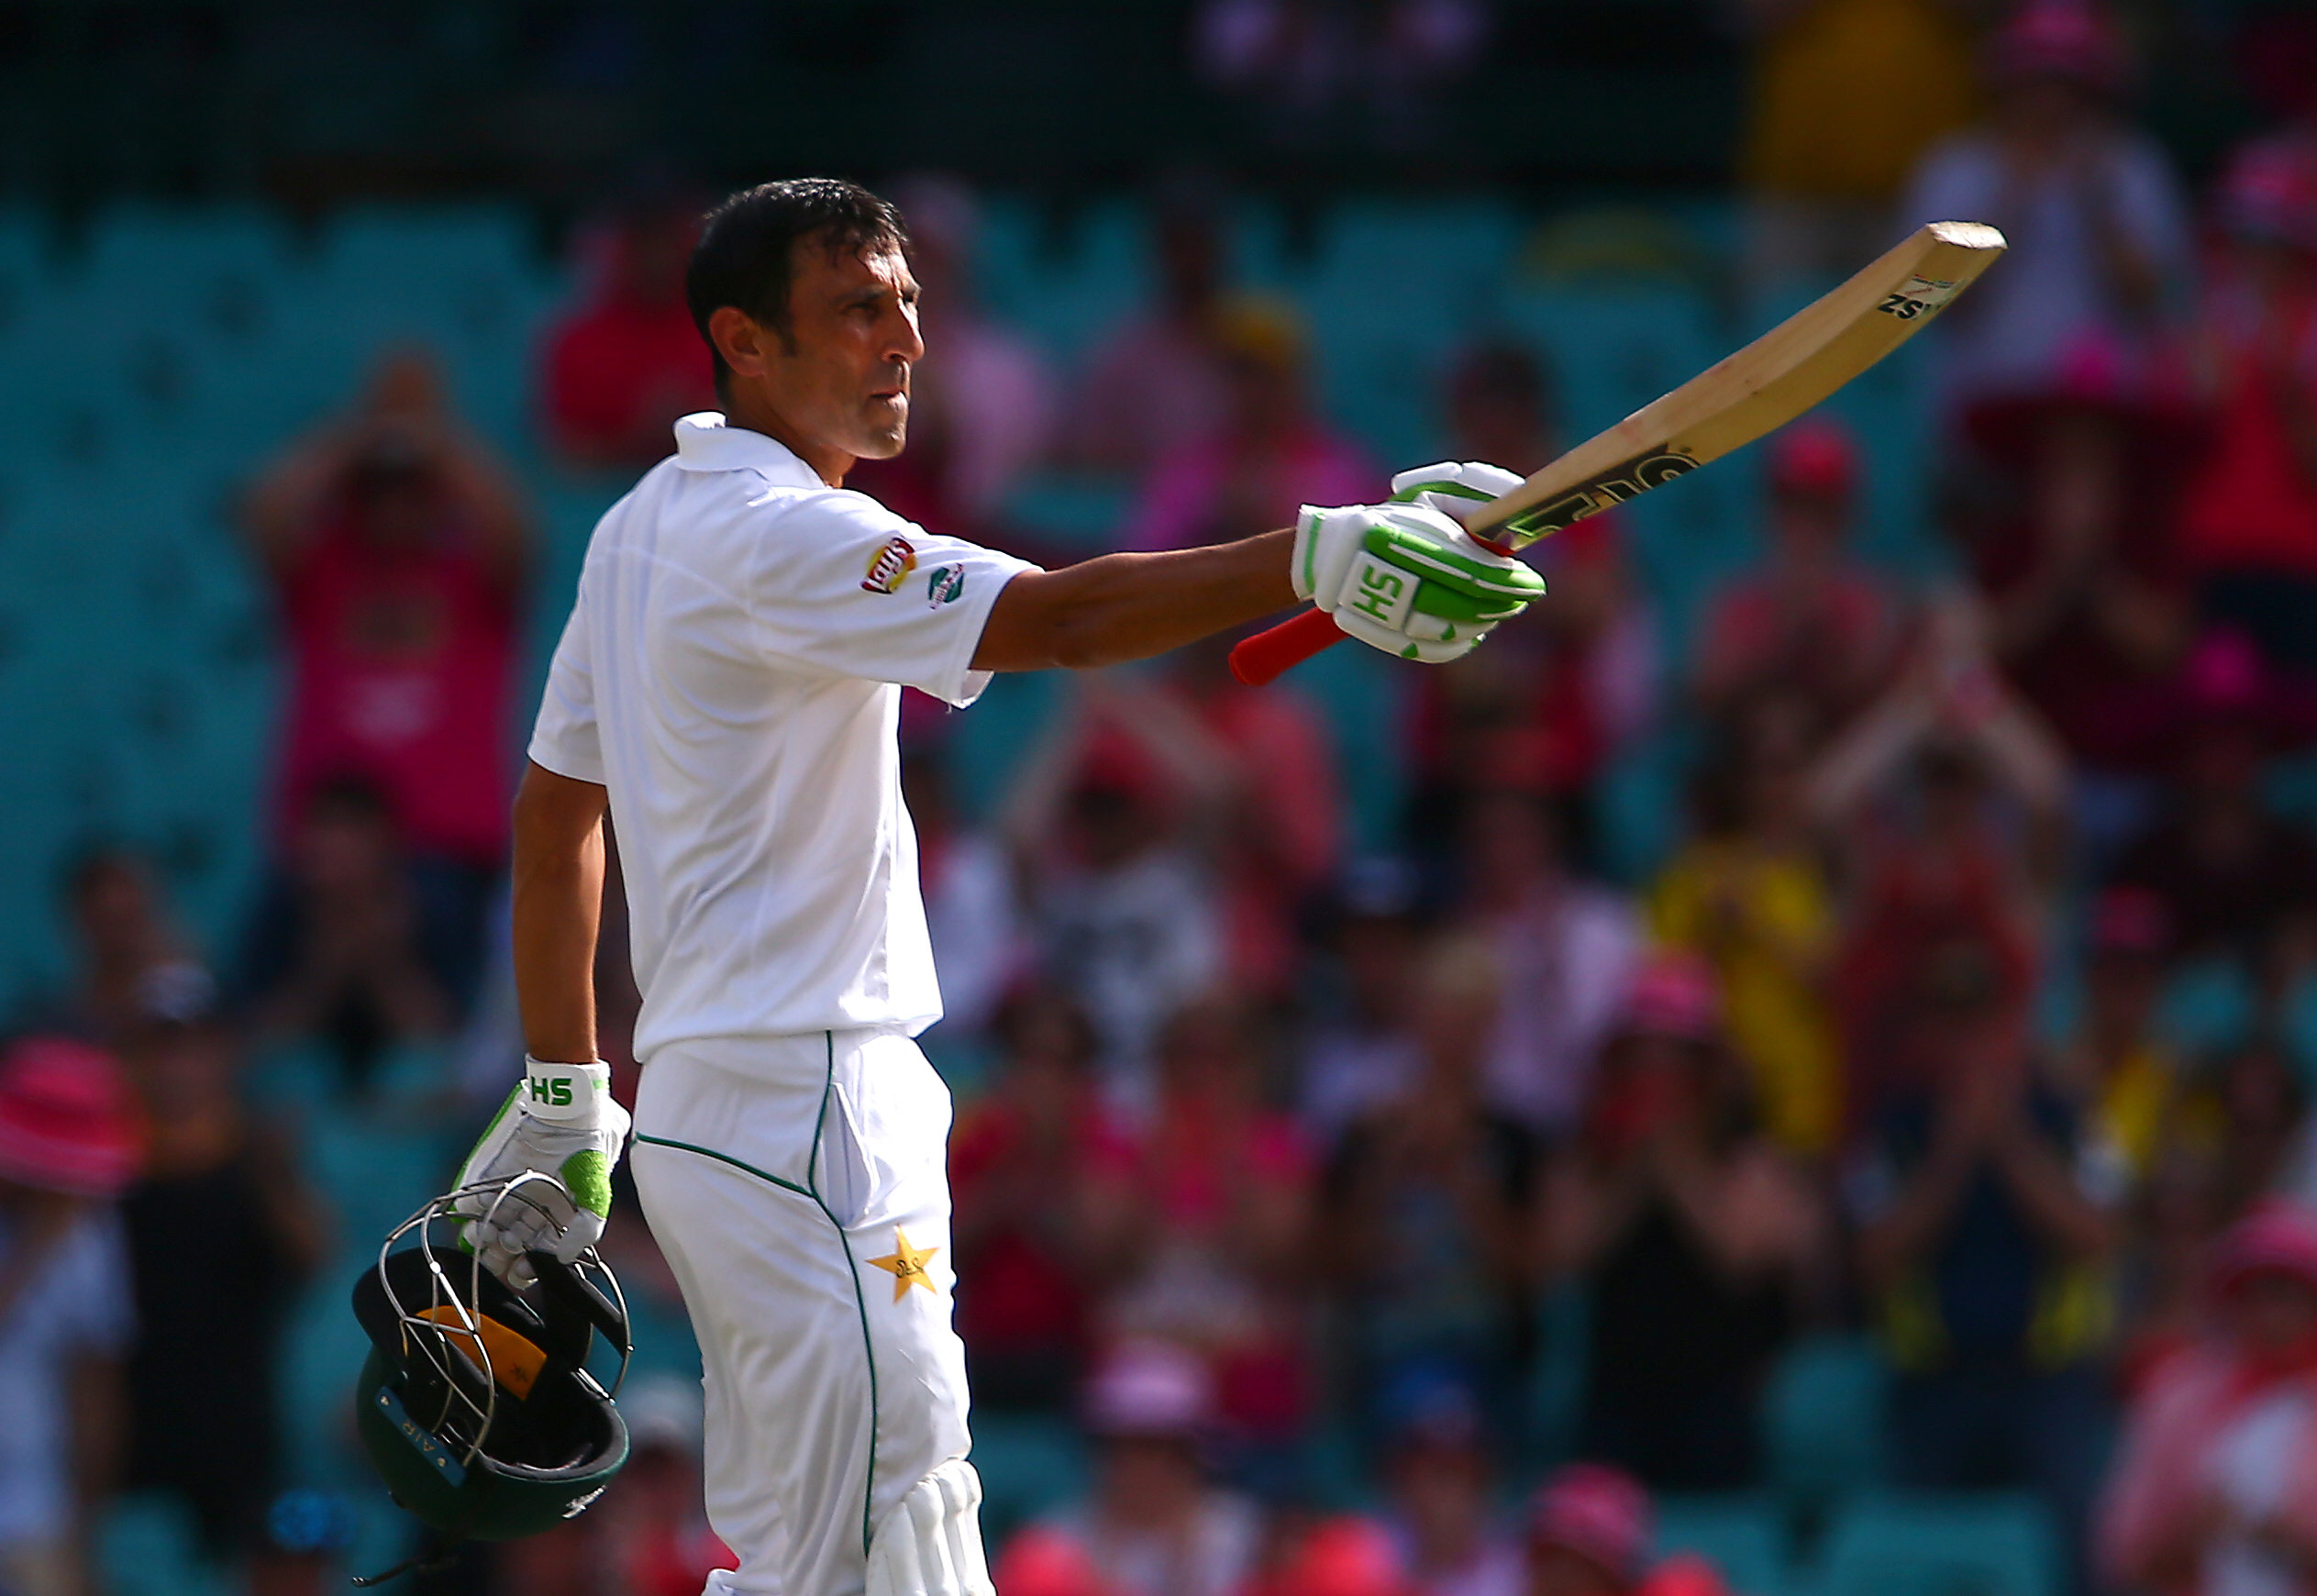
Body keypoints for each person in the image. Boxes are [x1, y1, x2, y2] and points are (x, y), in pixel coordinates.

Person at [453, 178, 1542, 1596]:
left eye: (909, 302)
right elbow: (1059, 617)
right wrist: (1316, 556)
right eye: (857, 308)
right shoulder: (779, 534)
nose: (905, 337)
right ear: (745, 341)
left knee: (883, 1543)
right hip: (805, 1108)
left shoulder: (640, 528)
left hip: (746, 1112)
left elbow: (554, 822)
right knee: (862, 1548)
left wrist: (561, 1092)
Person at [240, 349, 532, 1006]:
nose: (394, 507)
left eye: (412, 490)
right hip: (318, 861)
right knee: (253, 998)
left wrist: (430, 432)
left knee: (451, 999)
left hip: (444, 859)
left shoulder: (471, 583)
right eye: (378, 490)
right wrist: (365, 429)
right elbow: (264, 515)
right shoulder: (325, 574)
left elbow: (516, 532)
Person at [1544, 956, 1824, 1490]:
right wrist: (1633, 1168)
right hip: (1616, 1398)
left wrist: (1673, 1162)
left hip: (1717, 1397)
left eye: (1673, 1059)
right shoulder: (1589, 1157)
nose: (1657, 1077)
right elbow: (1565, 1256)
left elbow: (1738, 1255)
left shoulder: (1749, 1156)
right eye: (1642, 1059)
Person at [1901, 0, 2193, 418]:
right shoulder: (1955, 167)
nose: (2049, 104)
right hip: (1978, 400)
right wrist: (2007, 206)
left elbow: (2155, 300)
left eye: (2067, 86)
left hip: (2103, 413)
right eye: (2034, 84)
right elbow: (1921, 305)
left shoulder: (2132, 166)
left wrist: (2095, 201)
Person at [1325, 939, 1544, 1425]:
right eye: (1442, 1016)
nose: (1454, 1036)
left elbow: (1527, 1274)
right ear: (1415, 1023)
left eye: (1470, 1020)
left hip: (1489, 1356)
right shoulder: (1366, 1132)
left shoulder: (1517, 1139)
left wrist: (1460, 1173)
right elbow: (1338, 1266)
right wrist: (1384, 1168)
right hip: (1383, 1352)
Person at [2100, 1202, 2317, 1596]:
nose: (2269, 1314)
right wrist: (2189, 1536)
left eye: (2286, 1295)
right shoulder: (2178, 1396)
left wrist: (2291, 1542)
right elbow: (2122, 1553)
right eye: (2254, 1295)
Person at [948, 989, 1142, 1412]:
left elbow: (1103, 1264)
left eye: (1059, 1062)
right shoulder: (975, 1138)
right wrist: (1009, 1179)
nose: (1042, 1079)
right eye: (1029, 1059)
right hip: (980, 1356)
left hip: (1079, 1364)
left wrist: (1053, 1162)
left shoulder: (1108, 1143)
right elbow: (938, 1254)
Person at [0, 1037, 139, 1596]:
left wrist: (86, 1521)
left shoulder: (89, 1231)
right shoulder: (57, 1228)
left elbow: (94, 1379)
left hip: (36, 1506)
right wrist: (37, 1246)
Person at [2176, 139, 2317, 671]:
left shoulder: (2308, 334)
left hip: (2302, 563)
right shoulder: (2207, 329)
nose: (2252, 256)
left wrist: (2284, 380)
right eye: (2242, 239)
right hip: (2213, 558)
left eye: (2268, 240)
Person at [1691, 418, 1902, 740]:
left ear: (1844, 517)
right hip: (1750, 771)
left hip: (1844, 760)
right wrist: (1780, 628)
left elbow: (1871, 689)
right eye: (1791, 506)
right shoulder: (1737, 601)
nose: (1804, 526)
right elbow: (1706, 697)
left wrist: (1823, 627)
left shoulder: (1867, 599)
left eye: (1820, 510)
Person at [1011, 1341, 1263, 1596]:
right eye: (1123, 1445)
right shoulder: (1054, 1540)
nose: (1146, 1464)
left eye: (1163, 1446)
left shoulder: (1250, 1535)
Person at [540, 192, 718, 473]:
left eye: (667, 241)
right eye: (643, 242)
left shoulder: (727, 330)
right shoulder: (579, 341)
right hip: (613, 496)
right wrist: (637, 438)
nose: (657, 256)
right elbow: (564, 456)